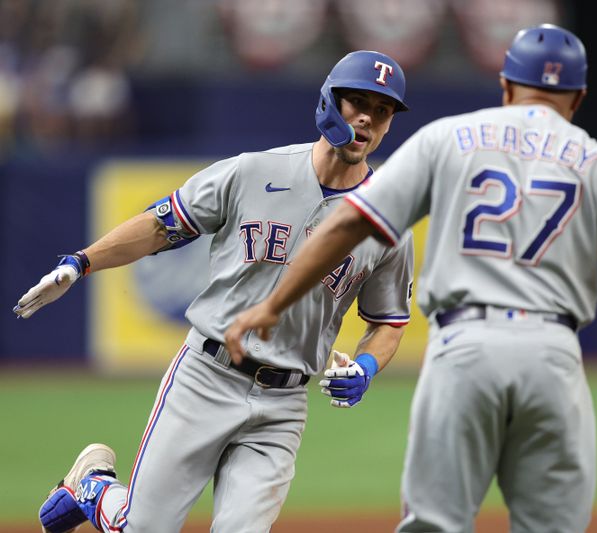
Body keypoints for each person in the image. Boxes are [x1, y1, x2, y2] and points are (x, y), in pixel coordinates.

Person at [223, 24, 597, 533]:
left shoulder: (448, 138)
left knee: (434, 524)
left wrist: (275, 303)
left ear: (505, 87)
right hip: (551, 353)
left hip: (464, 350)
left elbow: (352, 221)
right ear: (577, 98)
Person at [15, 50, 414, 533]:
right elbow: (163, 225)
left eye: (383, 109)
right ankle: (94, 485)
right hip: (206, 376)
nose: (367, 117)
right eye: (356, 101)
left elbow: (388, 321)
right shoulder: (253, 172)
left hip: (283, 405)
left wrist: (368, 365)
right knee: (138, 528)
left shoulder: (387, 221)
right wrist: (81, 263)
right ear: (329, 101)